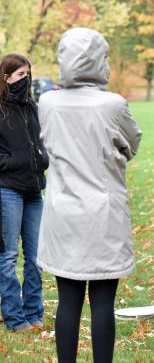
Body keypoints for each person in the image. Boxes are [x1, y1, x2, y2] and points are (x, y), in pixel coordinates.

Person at [36, 28, 142, 363]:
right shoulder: (111, 105)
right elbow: (132, 143)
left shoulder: (48, 102)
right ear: (98, 59)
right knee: (102, 303)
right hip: (102, 215)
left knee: (67, 301)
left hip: (62, 212)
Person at [0, 54, 48, 332]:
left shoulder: (32, 107)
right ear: (6, 78)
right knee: (7, 256)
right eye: (19, 75)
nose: (25, 79)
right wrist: (15, 162)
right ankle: (14, 318)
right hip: (7, 190)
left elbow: (42, 142)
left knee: (37, 257)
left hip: (34, 190)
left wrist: (42, 159)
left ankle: (34, 314)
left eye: (28, 74)